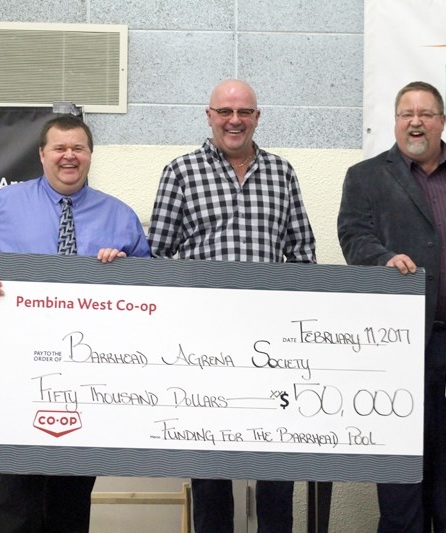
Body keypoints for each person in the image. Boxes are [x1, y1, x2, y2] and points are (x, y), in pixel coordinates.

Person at [0, 114, 151, 533]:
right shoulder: (4, 205)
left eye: (77, 148)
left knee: (75, 468)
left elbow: (147, 282)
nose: (69, 156)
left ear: (90, 155)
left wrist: (124, 270)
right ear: (42, 154)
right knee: (21, 466)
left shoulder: (120, 216)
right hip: (18, 352)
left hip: (92, 362)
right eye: (59, 148)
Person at [148, 79, 317, 533]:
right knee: (210, 472)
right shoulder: (180, 172)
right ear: (209, 115)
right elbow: (158, 257)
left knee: (278, 466)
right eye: (225, 111)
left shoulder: (282, 173)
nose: (234, 120)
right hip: (205, 350)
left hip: (273, 349)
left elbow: (302, 255)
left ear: (257, 117)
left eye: (244, 112)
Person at [337, 81, 446, 532]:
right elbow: (353, 236)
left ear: (442, 122)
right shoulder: (365, 176)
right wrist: (382, 259)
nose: (416, 121)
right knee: (399, 451)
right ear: (395, 121)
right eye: (406, 113)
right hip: (398, 343)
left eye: (426, 113)